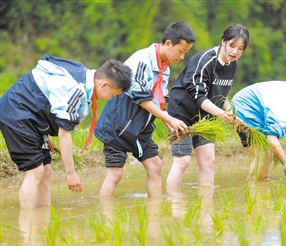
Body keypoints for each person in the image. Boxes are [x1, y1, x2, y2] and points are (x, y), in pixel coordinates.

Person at [0, 55, 132, 209]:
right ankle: (28, 225)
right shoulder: (76, 89)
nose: (110, 99)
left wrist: (45, 133)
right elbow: (64, 134)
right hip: (16, 113)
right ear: (104, 84)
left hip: (31, 116)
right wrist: (71, 173)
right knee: (35, 171)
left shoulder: (83, 74)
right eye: (113, 95)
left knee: (46, 171)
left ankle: (43, 219)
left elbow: (47, 94)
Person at [94, 22, 196, 198]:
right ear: (169, 43)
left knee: (155, 166)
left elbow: (160, 100)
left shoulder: (165, 69)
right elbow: (141, 98)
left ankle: (154, 216)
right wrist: (170, 119)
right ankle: (104, 217)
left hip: (140, 129)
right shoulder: (143, 60)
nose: (182, 57)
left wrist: (168, 123)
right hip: (118, 126)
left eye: (185, 53)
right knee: (115, 174)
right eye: (181, 51)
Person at [165, 23, 250, 191]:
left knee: (208, 160)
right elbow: (199, 96)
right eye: (232, 46)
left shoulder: (233, 64)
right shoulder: (205, 61)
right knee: (183, 161)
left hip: (205, 117)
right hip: (181, 114)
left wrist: (230, 112)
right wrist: (220, 114)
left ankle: (206, 208)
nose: (235, 52)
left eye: (240, 49)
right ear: (223, 41)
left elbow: (221, 95)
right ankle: (174, 208)